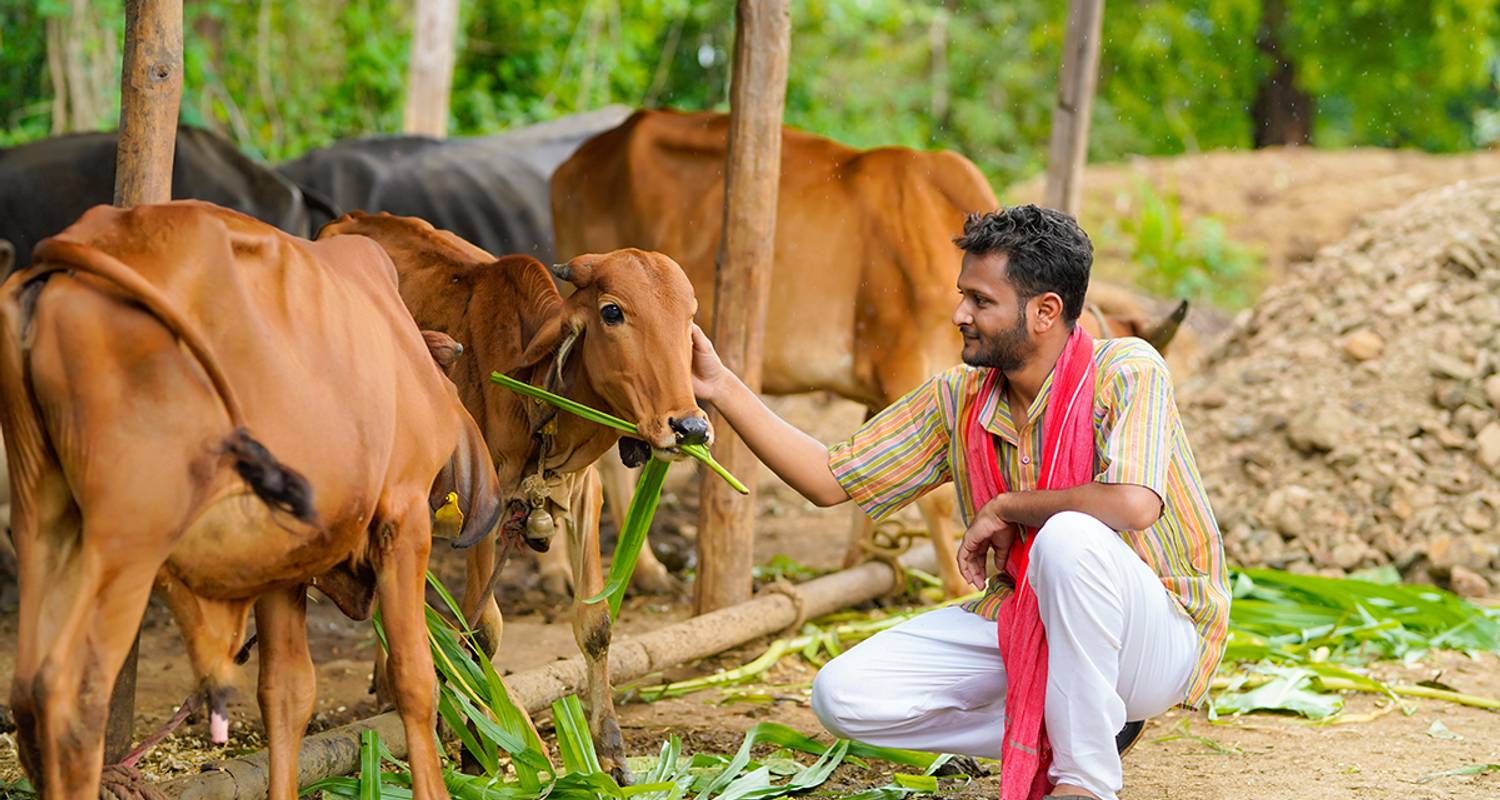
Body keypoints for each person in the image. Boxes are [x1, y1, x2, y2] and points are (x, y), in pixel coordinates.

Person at [688, 205, 1228, 800]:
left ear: (1046, 311)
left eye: (980, 300)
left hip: (1159, 638)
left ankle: (1085, 779)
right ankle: (1080, 721)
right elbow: (826, 478)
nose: (958, 315)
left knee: (1067, 537)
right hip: (1025, 620)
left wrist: (1009, 506)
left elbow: (1132, 504)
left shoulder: (1128, 367)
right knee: (844, 696)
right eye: (962, 295)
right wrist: (719, 386)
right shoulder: (959, 397)